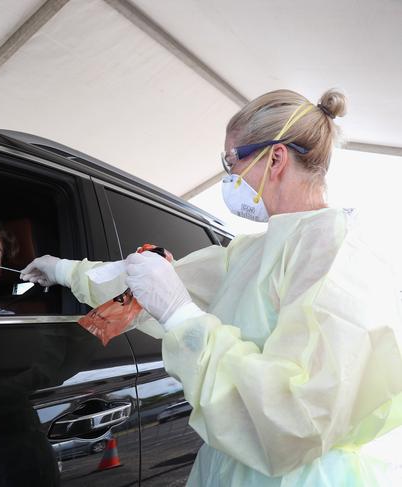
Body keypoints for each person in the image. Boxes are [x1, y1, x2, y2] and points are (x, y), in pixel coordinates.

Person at [20, 89, 402, 486]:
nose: (229, 176)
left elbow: (297, 419)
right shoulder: (252, 252)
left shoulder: (339, 255)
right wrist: (63, 270)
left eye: (231, 160)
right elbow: (143, 285)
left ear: (275, 158)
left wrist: (183, 317)